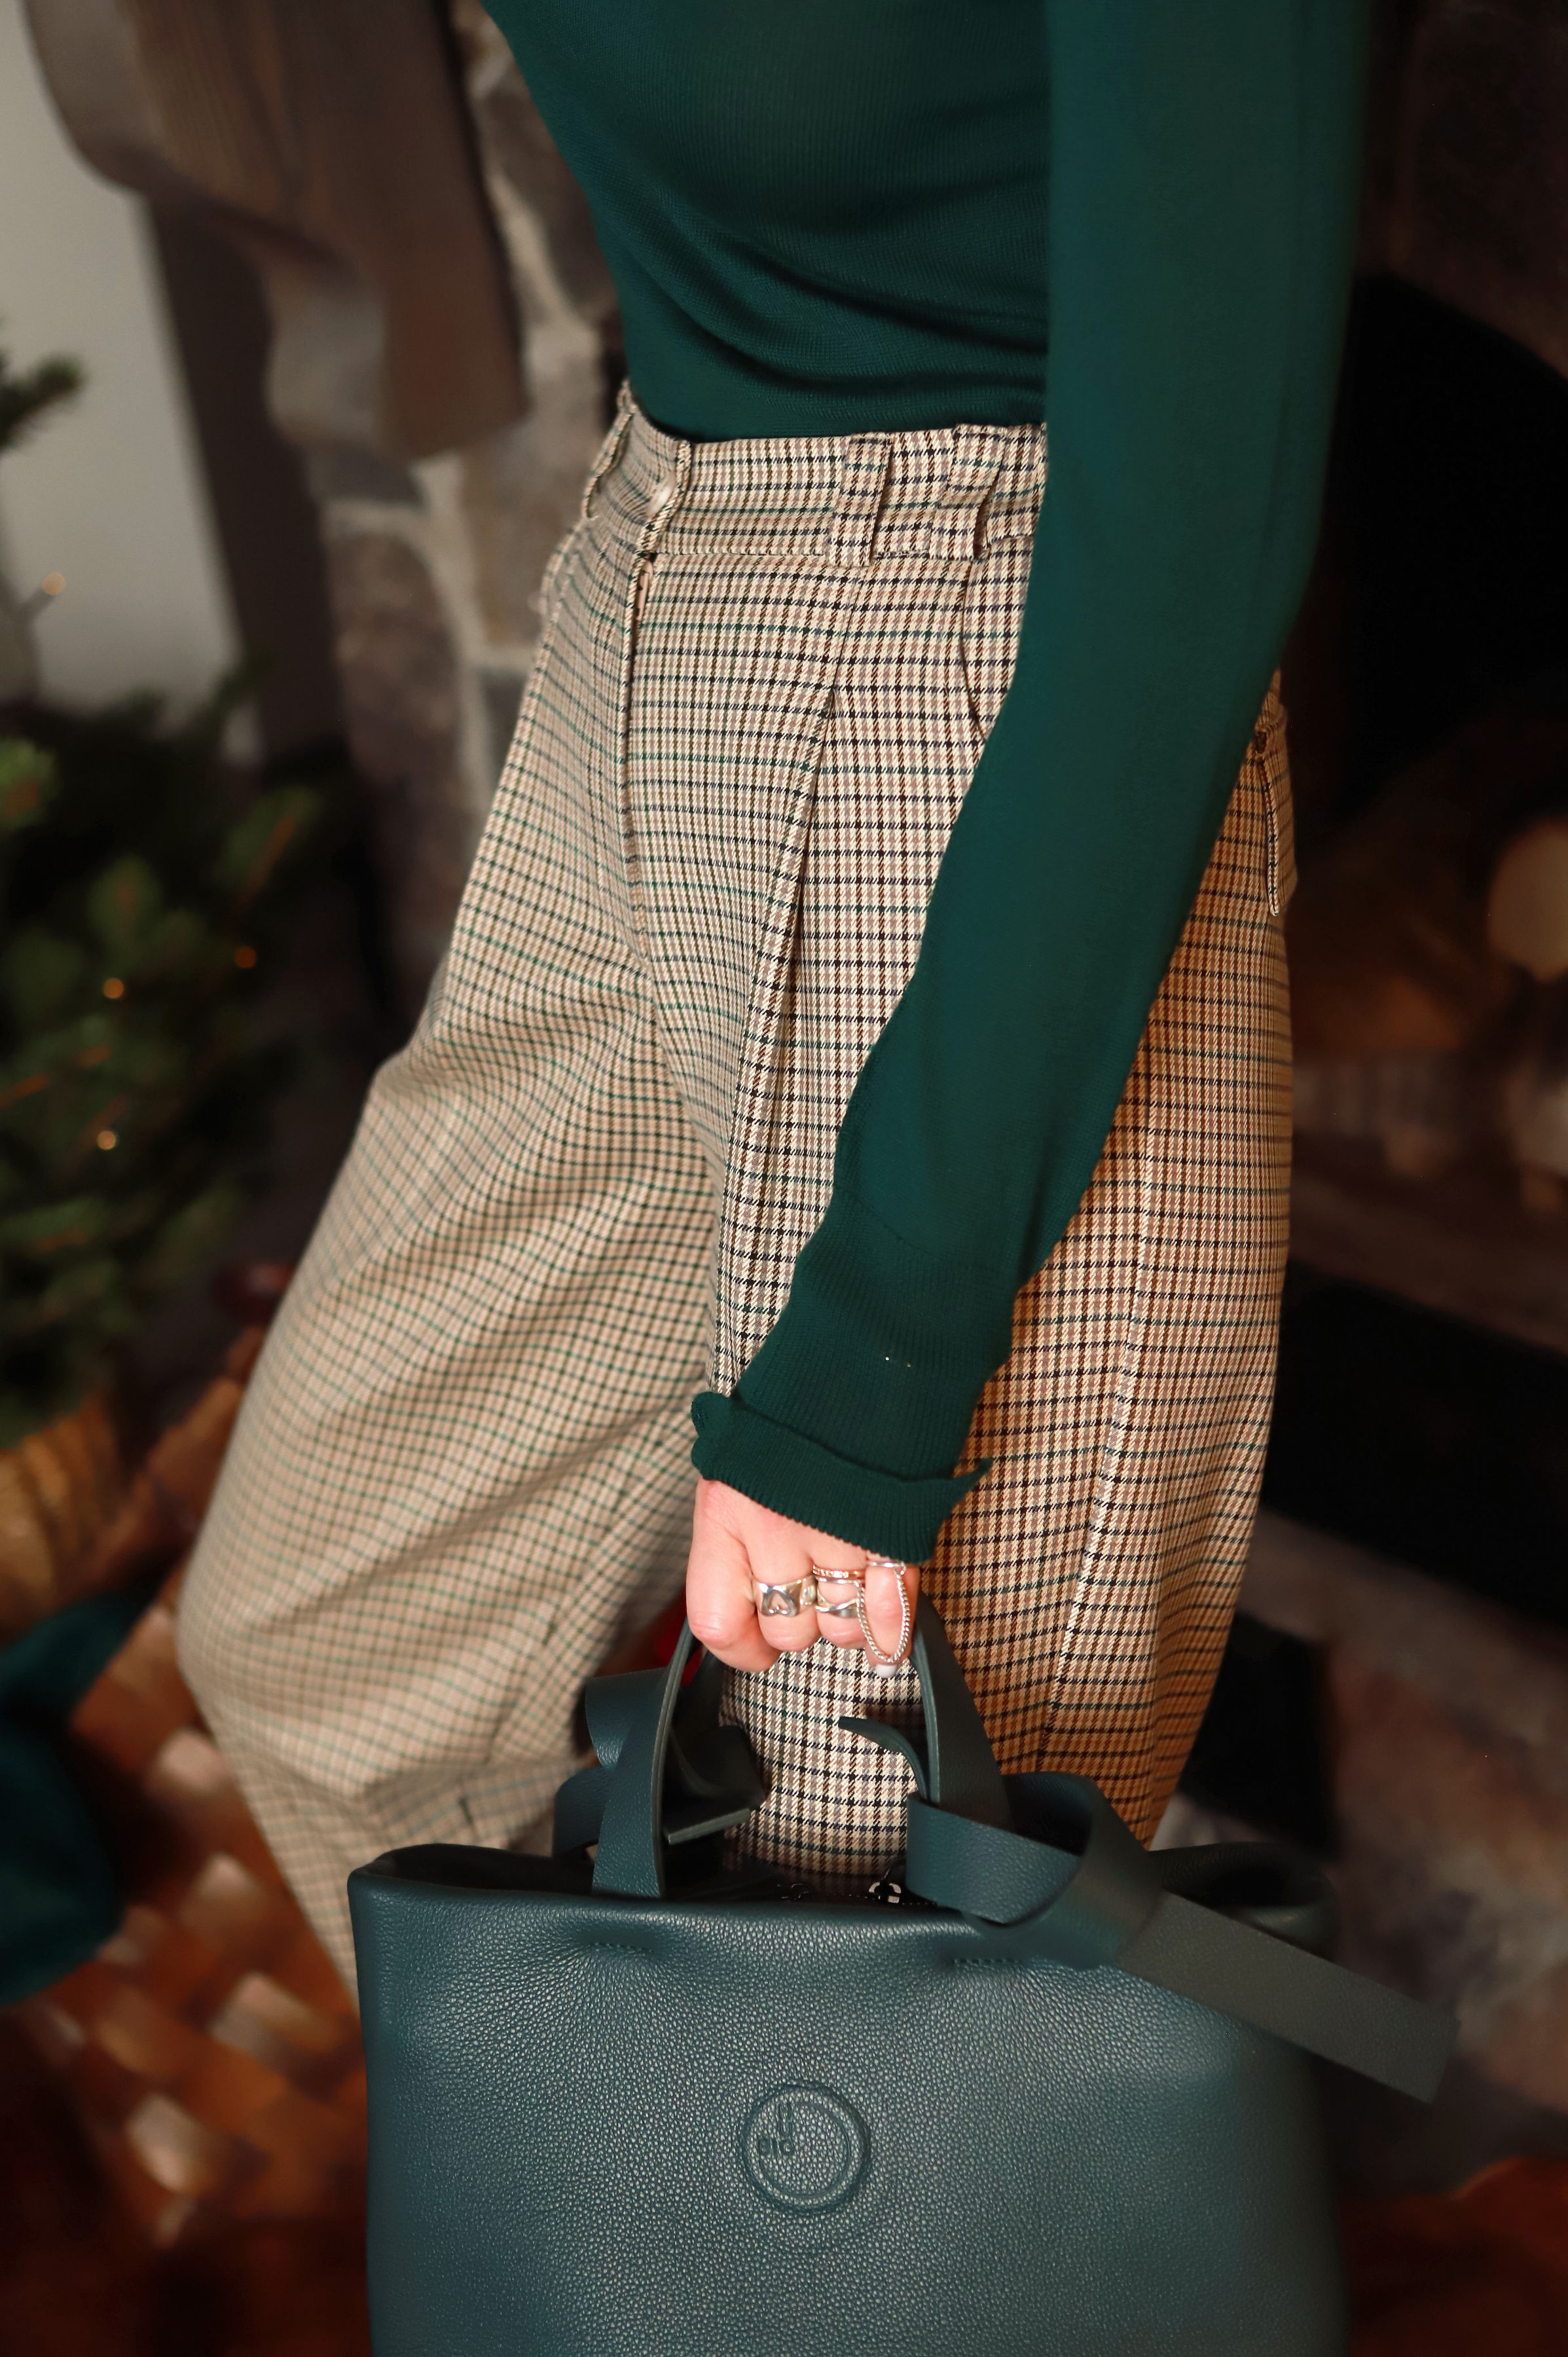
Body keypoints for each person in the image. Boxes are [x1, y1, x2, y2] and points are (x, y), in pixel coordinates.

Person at [179, 1, 1369, 1980]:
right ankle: (658, 2177)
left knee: (874, 1902)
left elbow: (1197, 509)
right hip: (657, 581)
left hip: (992, 682)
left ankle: (875, 2185)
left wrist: (872, 1373)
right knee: (333, 1646)